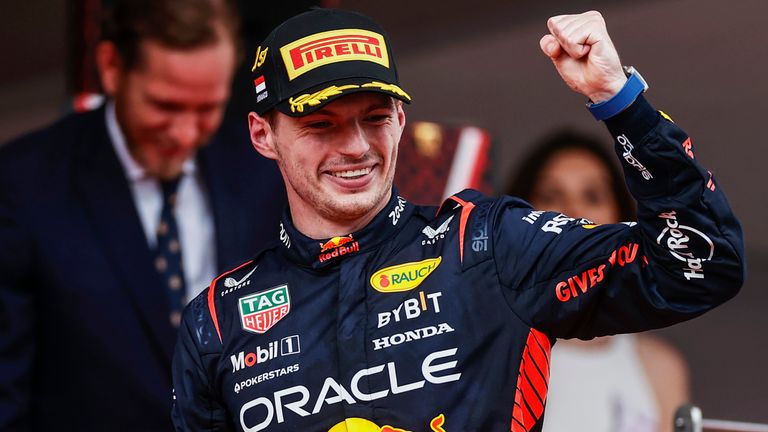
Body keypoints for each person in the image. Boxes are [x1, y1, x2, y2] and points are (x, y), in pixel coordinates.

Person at [171, 8, 745, 432]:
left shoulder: (487, 246)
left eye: (374, 117)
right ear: (262, 135)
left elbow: (700, 266)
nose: (356, 147)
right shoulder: (217, 323)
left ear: (400, 119)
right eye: (321, 125)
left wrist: (622, 103)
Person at [0, 0, 286, 430]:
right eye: (165, 107)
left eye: (208, 108)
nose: (187, 135)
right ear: (112, 66)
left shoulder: (264, 169)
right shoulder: (22, 186)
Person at [508, 130, 689, 432]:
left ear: (622, 220)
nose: (573, 211)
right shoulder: (488, 347)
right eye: (552, 196)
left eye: (592, 196)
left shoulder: (661, 367)